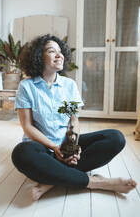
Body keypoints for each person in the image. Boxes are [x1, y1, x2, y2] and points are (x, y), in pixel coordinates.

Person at [11, 34, 137, 201]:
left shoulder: (68, 86)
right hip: (41, 147)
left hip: (65, 144)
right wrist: (54, 148)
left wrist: (72, 146)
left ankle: (52, 180)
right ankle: (96, 182)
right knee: (21, 153)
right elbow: (28, 127)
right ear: (38, 57)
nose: (59, 55)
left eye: (60, 51)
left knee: (116, 138)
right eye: (51, 51)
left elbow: (73, 120)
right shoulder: (27, 86)